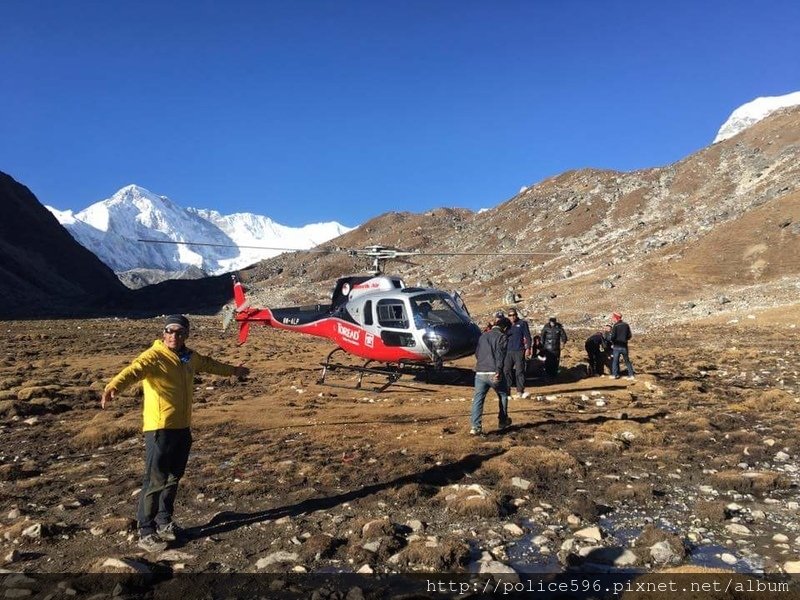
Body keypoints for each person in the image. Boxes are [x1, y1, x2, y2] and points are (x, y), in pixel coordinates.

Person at [100, 314, 250, 553]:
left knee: (173, 477)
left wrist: (234, 371)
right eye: (169, 331)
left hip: (182, 427)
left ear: (186, 335)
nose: (173, 335)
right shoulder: (153, 356)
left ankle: (164, 521)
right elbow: (133, 370)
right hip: (160, 428)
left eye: (179, 332)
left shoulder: (190, 358)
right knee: (155, 479)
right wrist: (113, 386)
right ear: (163, 333)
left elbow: (211, 365)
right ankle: (146, 530)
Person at [470, 317, 512, 435]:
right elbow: (500, 354)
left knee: (478, 399)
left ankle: (475, 426)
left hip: (480, 372)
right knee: (503, 394)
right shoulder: (502, 337)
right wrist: (498, 370)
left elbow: (477, 353)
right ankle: (503, 420)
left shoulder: (483, 336)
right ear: (505, 328)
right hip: (493, 371)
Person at [503, 309, 532, 399]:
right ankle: (507, 392)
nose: (512, 317)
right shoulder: (506, 325)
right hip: (508, 351)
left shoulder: (522, 323)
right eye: (510, 315)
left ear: (516, 315)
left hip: (519, 350)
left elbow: (527, 336)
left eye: (513, 315)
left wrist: (528, 348)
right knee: (506, 370)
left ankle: (520, 391)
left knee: (519, 371)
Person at [608, 312, 635, 380]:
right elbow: (629, 335)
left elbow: (613, 336)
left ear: (615, 318)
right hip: (624, 346)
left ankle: (615, 375)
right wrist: (625, 339)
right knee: (627, 361)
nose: (612, 319)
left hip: (617, 346)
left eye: (613, 317)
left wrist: (611, 340)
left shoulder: (615, 326)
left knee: (615, 361)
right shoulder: (626, 325)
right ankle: (631, 375)